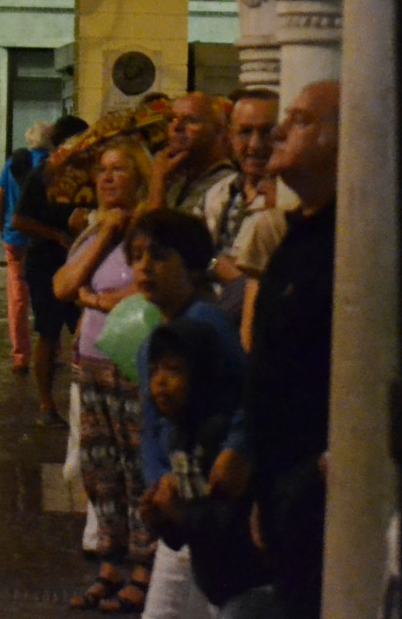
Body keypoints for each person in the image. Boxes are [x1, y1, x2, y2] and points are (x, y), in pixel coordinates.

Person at [207, 81, 339, 619]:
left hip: (319, 479)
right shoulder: (295, 238)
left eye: (300, 121)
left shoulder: (350, 239)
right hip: (281, 478)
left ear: (342, 140)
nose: (281, 132)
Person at [124, 209, 252, 619]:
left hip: (210, 506)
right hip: (183, 506)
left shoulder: (207, 328)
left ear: (192, 265)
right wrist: (157, 481)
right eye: (137, 255)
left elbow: (245, 404)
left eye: (159, 255)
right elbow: (152, 425)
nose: (145, 266)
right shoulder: (158, 338)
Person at [52, 139, 152, 612]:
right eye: (103, 171)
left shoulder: (149, 233)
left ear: (139, 177)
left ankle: (142, 566)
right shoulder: (94, 233)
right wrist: (104, 238)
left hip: (133, 365)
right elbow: (62, 285)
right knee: (100, 471)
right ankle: (109, 564)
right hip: (90, 364)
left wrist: (89, 299)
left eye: (120, 170)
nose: (109, 178)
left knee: (137, 469)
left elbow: (135, 295)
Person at [12, 114, 92, 423]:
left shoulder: (89, 176)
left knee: (85, 332)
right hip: (47, 262)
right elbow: (19, 220)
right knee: (48, 332)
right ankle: (46, 404)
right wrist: (56, 234)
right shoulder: (42, 175)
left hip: (81, 262)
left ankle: (85, 400)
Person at [202, 90, 284, 332]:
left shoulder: (291, 200)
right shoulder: (218, 194)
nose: (255, 145)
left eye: (266, 132)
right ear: (230, 137)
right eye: (246, 132)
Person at [0, 120, 53, 374]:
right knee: (48, 294)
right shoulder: (53, 164)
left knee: (17, 298)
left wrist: (2, 227)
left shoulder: (13, 162)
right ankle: (50, 347)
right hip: (44, 238)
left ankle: (21, 354)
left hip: (15, 237)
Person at [149, 93, 235, 216]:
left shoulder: (227, 186)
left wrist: (157, 184)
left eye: (191, 120)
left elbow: (156, 234)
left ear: (219, 131)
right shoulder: (176, 182)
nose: (177, 126)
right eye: (171, 119)